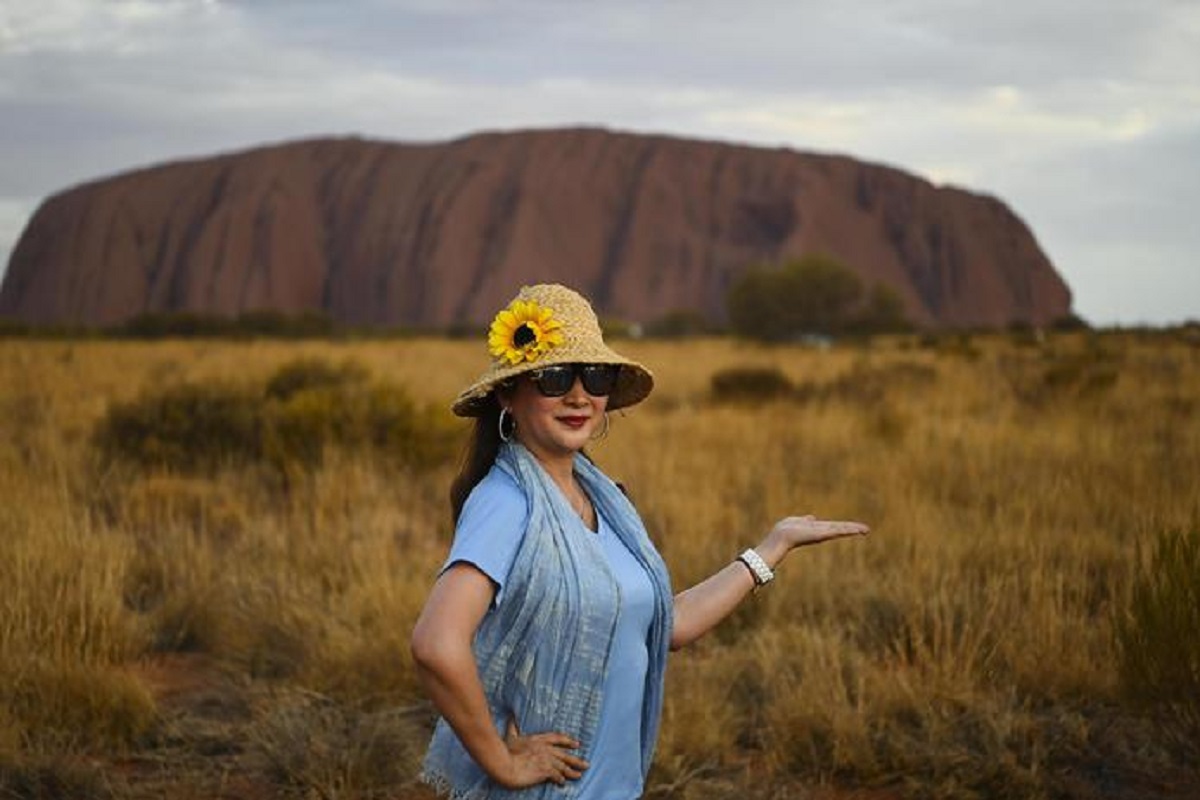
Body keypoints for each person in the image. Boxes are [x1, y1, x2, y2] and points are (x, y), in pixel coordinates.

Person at [411, 283, 868, 799]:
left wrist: (770, 549)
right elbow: (436, 644)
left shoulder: (603, 499)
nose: (579, 395)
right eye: (554, 377)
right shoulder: (507, 502)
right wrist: (503, 762)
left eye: (595, 376)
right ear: (508, 395)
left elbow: (665, 624)